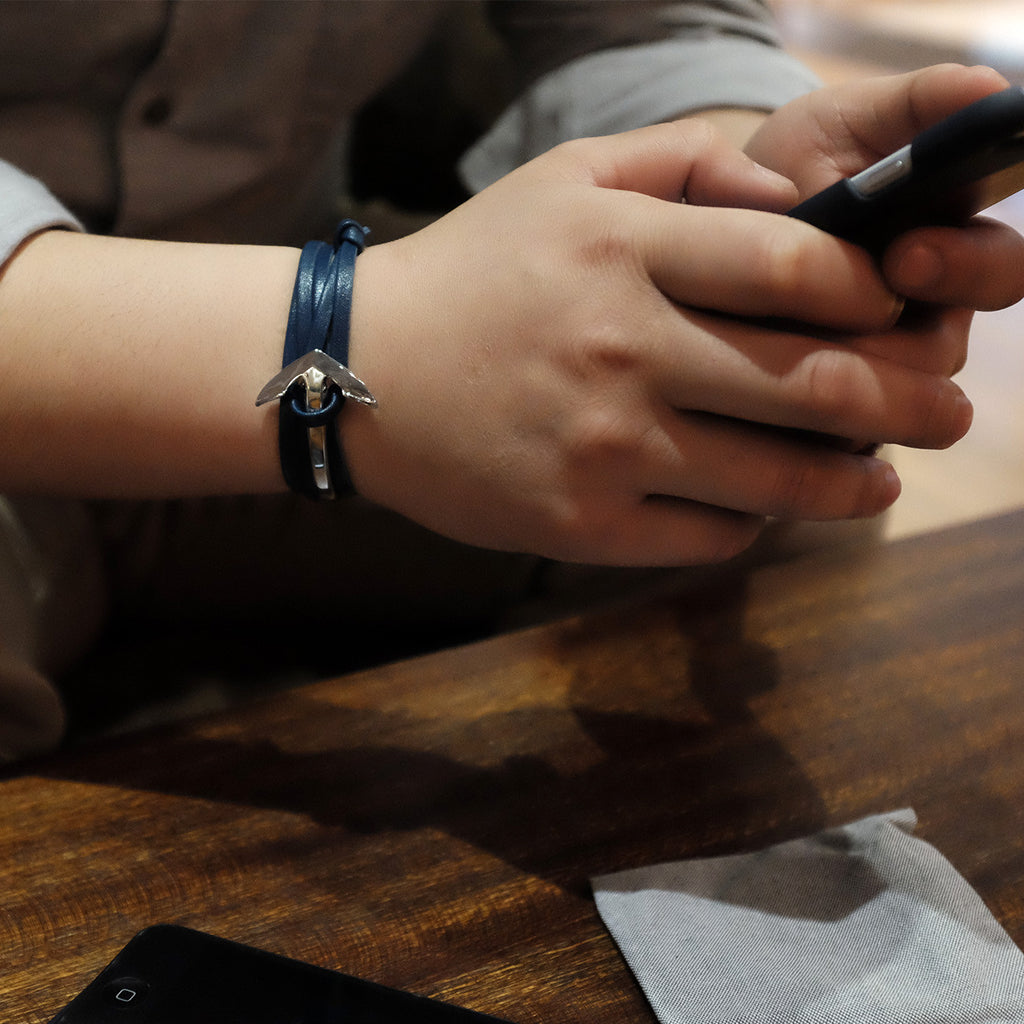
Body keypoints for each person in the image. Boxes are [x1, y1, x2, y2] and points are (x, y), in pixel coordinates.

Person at [0, 1, 1022, 761]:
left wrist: (736, 205)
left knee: (767, 477)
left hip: (308, 321)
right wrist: (376, 332)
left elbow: (638, 26)